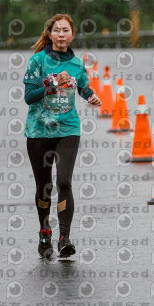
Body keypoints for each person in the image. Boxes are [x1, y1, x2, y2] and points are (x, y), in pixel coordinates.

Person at [22, 14, 101, 257]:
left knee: (64, 181)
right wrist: (53, 84)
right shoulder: (37, 61)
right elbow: (28, 97)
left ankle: (64, 238)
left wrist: (90, 96)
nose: (61, 34)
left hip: (68, 129)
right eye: (57, 30)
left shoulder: (77, 64)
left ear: (72, 34)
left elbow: (83, 85)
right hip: (39, 130)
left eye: (66, 30)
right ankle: (44, 232)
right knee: (44, 186)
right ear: (50, 34)